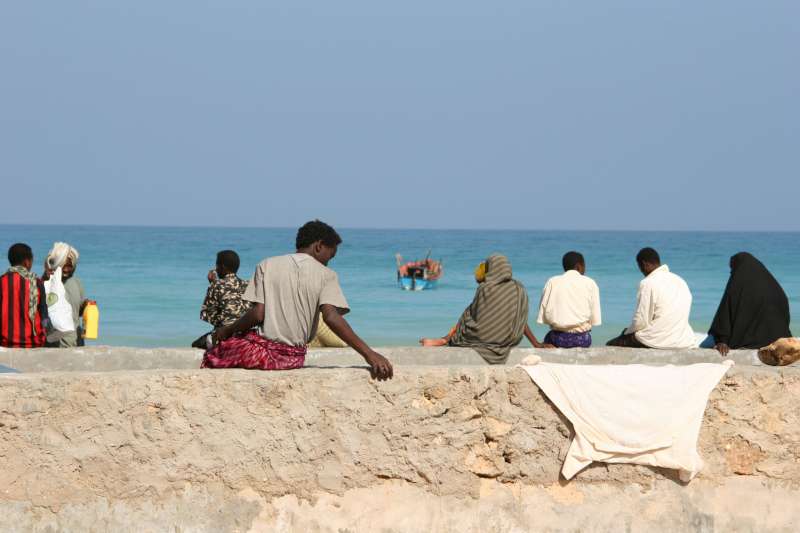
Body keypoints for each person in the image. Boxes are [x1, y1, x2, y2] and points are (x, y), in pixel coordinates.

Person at [202, 220, 393, 380]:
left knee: (213, 354)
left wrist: (227, 330)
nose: (329, 260)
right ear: (319, 246)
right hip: (293, 358)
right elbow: (332, 318)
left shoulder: (266, 265)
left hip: (263, 354)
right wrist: (369, 354)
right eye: (330, 255)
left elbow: (257, 314)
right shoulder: (327, 275)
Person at [420, 254, 547, 363]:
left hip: (481, 338)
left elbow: (474, 316)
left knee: (468, 311)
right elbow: (520, 319)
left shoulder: (485, 287)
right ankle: (444, 339)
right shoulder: (518, 288)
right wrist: (536, 344)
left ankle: (445, 339)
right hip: (507, 340)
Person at [607, 247, 696, 349]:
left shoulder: (648, 283)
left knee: (613, 343)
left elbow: (641, 321)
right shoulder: (680, 281)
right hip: (683, 339)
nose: (641, 272)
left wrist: (626, 333)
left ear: (645, 264)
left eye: (640, 267)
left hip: (659, 340)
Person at [708, 252, 792, 356]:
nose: (731, 272)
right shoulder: (775, 287)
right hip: (779, 340)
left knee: (707, 341)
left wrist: (721, 340)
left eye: (733, 268)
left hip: (745, 341)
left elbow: (725, 314)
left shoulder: (738, 285)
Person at [537, 251, 602, 348]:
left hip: (557, 339)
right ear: (578, 267)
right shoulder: (590, 283)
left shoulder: (552, 281)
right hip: (582, 340)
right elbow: (595, 320)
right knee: (586, 336)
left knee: (549, 337)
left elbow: (543, 315)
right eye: (584, 266)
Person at [192, 250, 250, 349]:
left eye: (217, 266)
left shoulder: (216, 285)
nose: (216, 269)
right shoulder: (248, 285)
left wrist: (212, 284)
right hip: (245, 335)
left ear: (222, 267)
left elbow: (207, 316)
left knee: (195, 345)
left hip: (224, 335)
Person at [42, 243, 94, 347]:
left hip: (76, 343)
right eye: (63, 265)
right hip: (53, 345)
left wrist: (86, 306)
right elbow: (42, 314)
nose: (66, 269)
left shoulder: (77, 283)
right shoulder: (46, 283)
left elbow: (77, 313)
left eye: (69, 266)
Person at [0, 243, 49, 348]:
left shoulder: (2, 282)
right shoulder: (36, 282)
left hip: (6, 344)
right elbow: (44, 314)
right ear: (27, 262)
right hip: (33, 343)